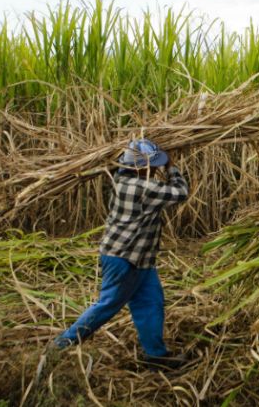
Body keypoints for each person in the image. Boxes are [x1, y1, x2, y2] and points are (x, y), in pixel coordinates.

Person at [50, 138, 190, 370]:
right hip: (124, 258)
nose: (155, 168)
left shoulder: (121, 179)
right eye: (152, 165)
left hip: (140, 258)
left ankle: (156, 356)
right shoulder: (140, 187)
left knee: (151, 303)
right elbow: (180, 192)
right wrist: (171, 168)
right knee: (108, 305)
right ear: (141, 167)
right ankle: (60, 345)